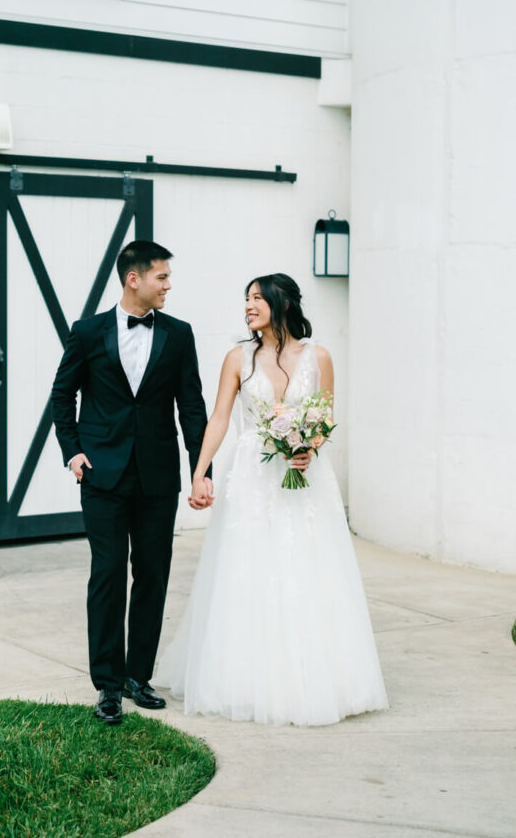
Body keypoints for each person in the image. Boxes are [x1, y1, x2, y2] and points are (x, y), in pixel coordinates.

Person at [155, 273, 388, 727]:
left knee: (308, 567)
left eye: (258, 298)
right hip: (250, 476)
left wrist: (309, 448)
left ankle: (314, 678)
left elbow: (324, 417)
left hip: (304, 478)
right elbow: (220, 417)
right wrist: (200, 471)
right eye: (246, 299)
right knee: (247, 569)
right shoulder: (237, 358)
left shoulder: (318, 356)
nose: (249, 305)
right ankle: (243, 680)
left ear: (283, 303)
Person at [51, 241, 211, 726]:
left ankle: (139, 675)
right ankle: (108, 685)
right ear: (133, 279)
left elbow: (193, 408)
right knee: (107, 575)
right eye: (162, 277)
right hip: (101, 473)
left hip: (158, 477)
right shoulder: (87, 331)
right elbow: (63, 395)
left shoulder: (180, 335)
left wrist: (200, 472)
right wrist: (73, 452)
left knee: (153, 575)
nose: (168, 285)